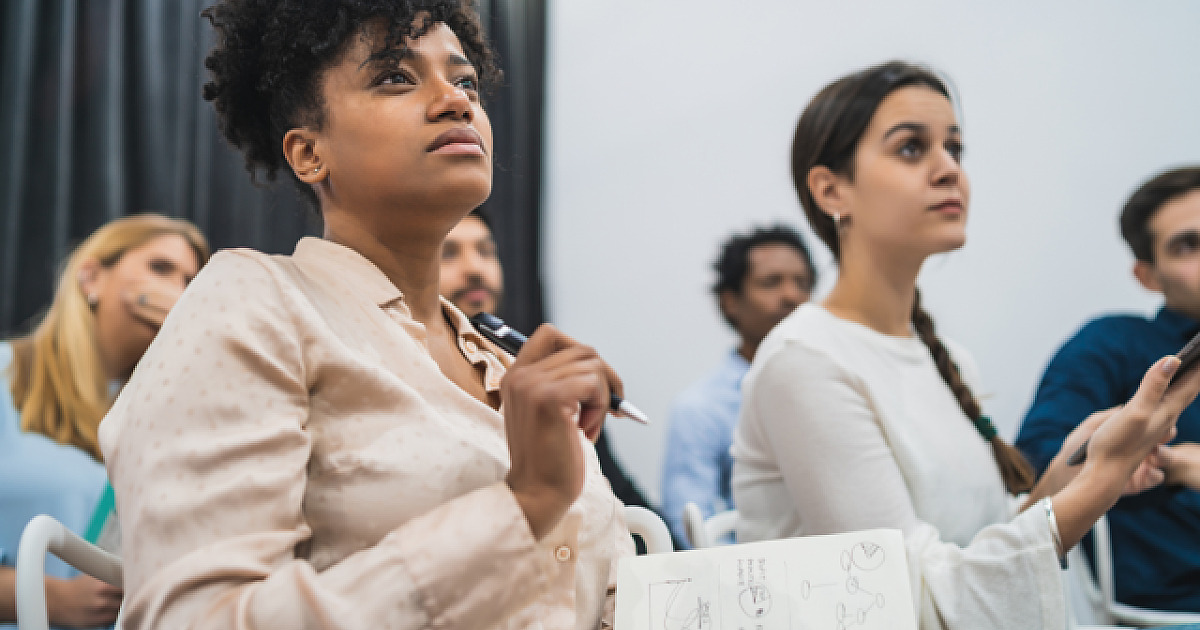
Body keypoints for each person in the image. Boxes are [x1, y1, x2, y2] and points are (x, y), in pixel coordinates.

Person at [99, 2, 633, 629]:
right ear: (307, 153)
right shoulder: (254, 303)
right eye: (396, 78)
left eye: (465, 82)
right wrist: (524, 505)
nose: (456, 102)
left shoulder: (506, 366)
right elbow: (197, 621)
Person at [730, 60, 1200, 630]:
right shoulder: (804, 362)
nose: (949, 169)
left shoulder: (946, 356)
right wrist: (1099, 484)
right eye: (911, 148)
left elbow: (981, 547)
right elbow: (902, 602)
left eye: (954, 148)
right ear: (832, 189)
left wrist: (1074, 466)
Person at [0, 214, 208, 629]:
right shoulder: (4, 376)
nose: (176, 293)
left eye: (190, 283)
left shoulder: (153, 430)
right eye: (160, 268)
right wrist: (52, 599)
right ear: (91, 277)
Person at [1017, 166, 1200, 612]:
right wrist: (1171, 463)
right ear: (1148, 276)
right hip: (1174, 607)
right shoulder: (1112, 345)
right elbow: (1043, 456)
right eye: (1189, 245)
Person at [440, 208, 663, 549]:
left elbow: (620, 490)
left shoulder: (543, 371)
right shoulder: (423, 374)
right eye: (449, 253)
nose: (475, 269)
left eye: (486, 251)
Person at [661, 225, 815, 546]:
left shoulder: (836, 386)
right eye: (771, 283)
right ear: (730, 302)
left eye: (803, 283)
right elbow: (692, 526)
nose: (792, 296)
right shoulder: (700, 408)